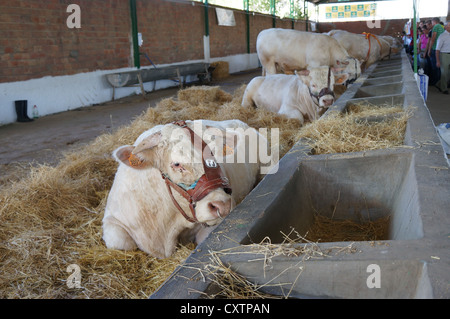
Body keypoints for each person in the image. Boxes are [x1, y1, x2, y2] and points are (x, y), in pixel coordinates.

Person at [427, 17, 445, 85]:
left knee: (435, 66)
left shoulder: (435, 26)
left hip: (435, 48)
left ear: (434, 22)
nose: (432, 24)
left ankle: (436, 81)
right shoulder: (442, 27)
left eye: (432, 23)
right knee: (440, 66)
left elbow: (433, 38)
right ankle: (440, 81)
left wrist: (429, 49)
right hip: (441, 49)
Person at [436, 21, 450, 94]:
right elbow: (437, 49)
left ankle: (439, 84)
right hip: (444, 55)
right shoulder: (442, 36)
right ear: (446, 27)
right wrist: (438, 60)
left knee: (448, 73)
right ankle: (444, 89)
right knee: (444, 72)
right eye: (449, 25)